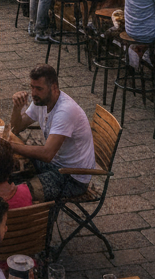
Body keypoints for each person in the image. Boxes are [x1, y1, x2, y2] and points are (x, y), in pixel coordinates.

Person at [8, 64, 96, 202]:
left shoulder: (65, 111)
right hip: (55, 164)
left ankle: (33, 220)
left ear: (54, 88)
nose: (33, 93)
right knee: (5, 168)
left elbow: (47, 154)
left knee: (18, 192)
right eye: (32, 87)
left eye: (39, 88)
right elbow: (16, 128)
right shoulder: (41, 100)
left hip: (72, 177)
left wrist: (11, 146)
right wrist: (16, 108)